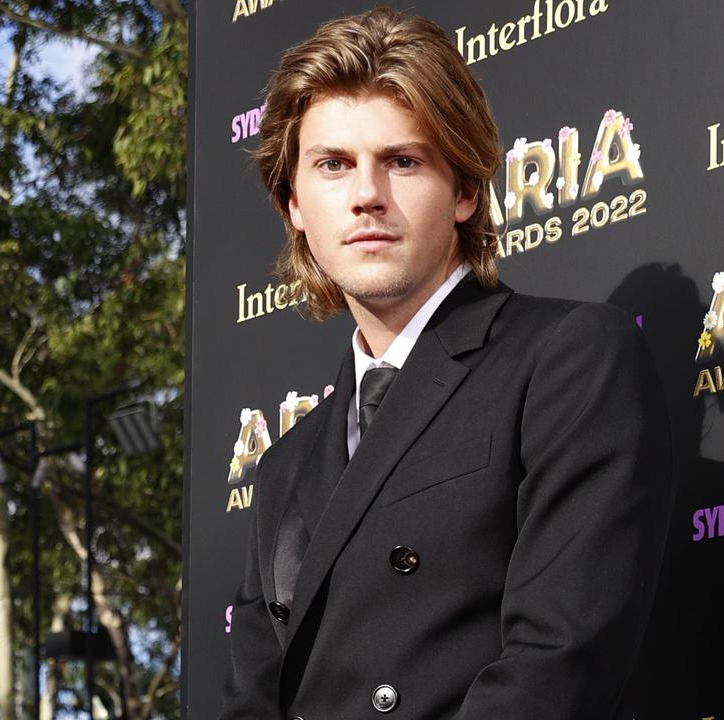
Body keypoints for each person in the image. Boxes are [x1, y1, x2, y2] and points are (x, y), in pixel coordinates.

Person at [221, 7, 672, 719]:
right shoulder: (285, 467)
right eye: (332, 165)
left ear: (465, 190)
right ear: (294, 207)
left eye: (403, 161)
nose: (367, 194)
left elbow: (557, 664)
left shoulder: (568, 359)